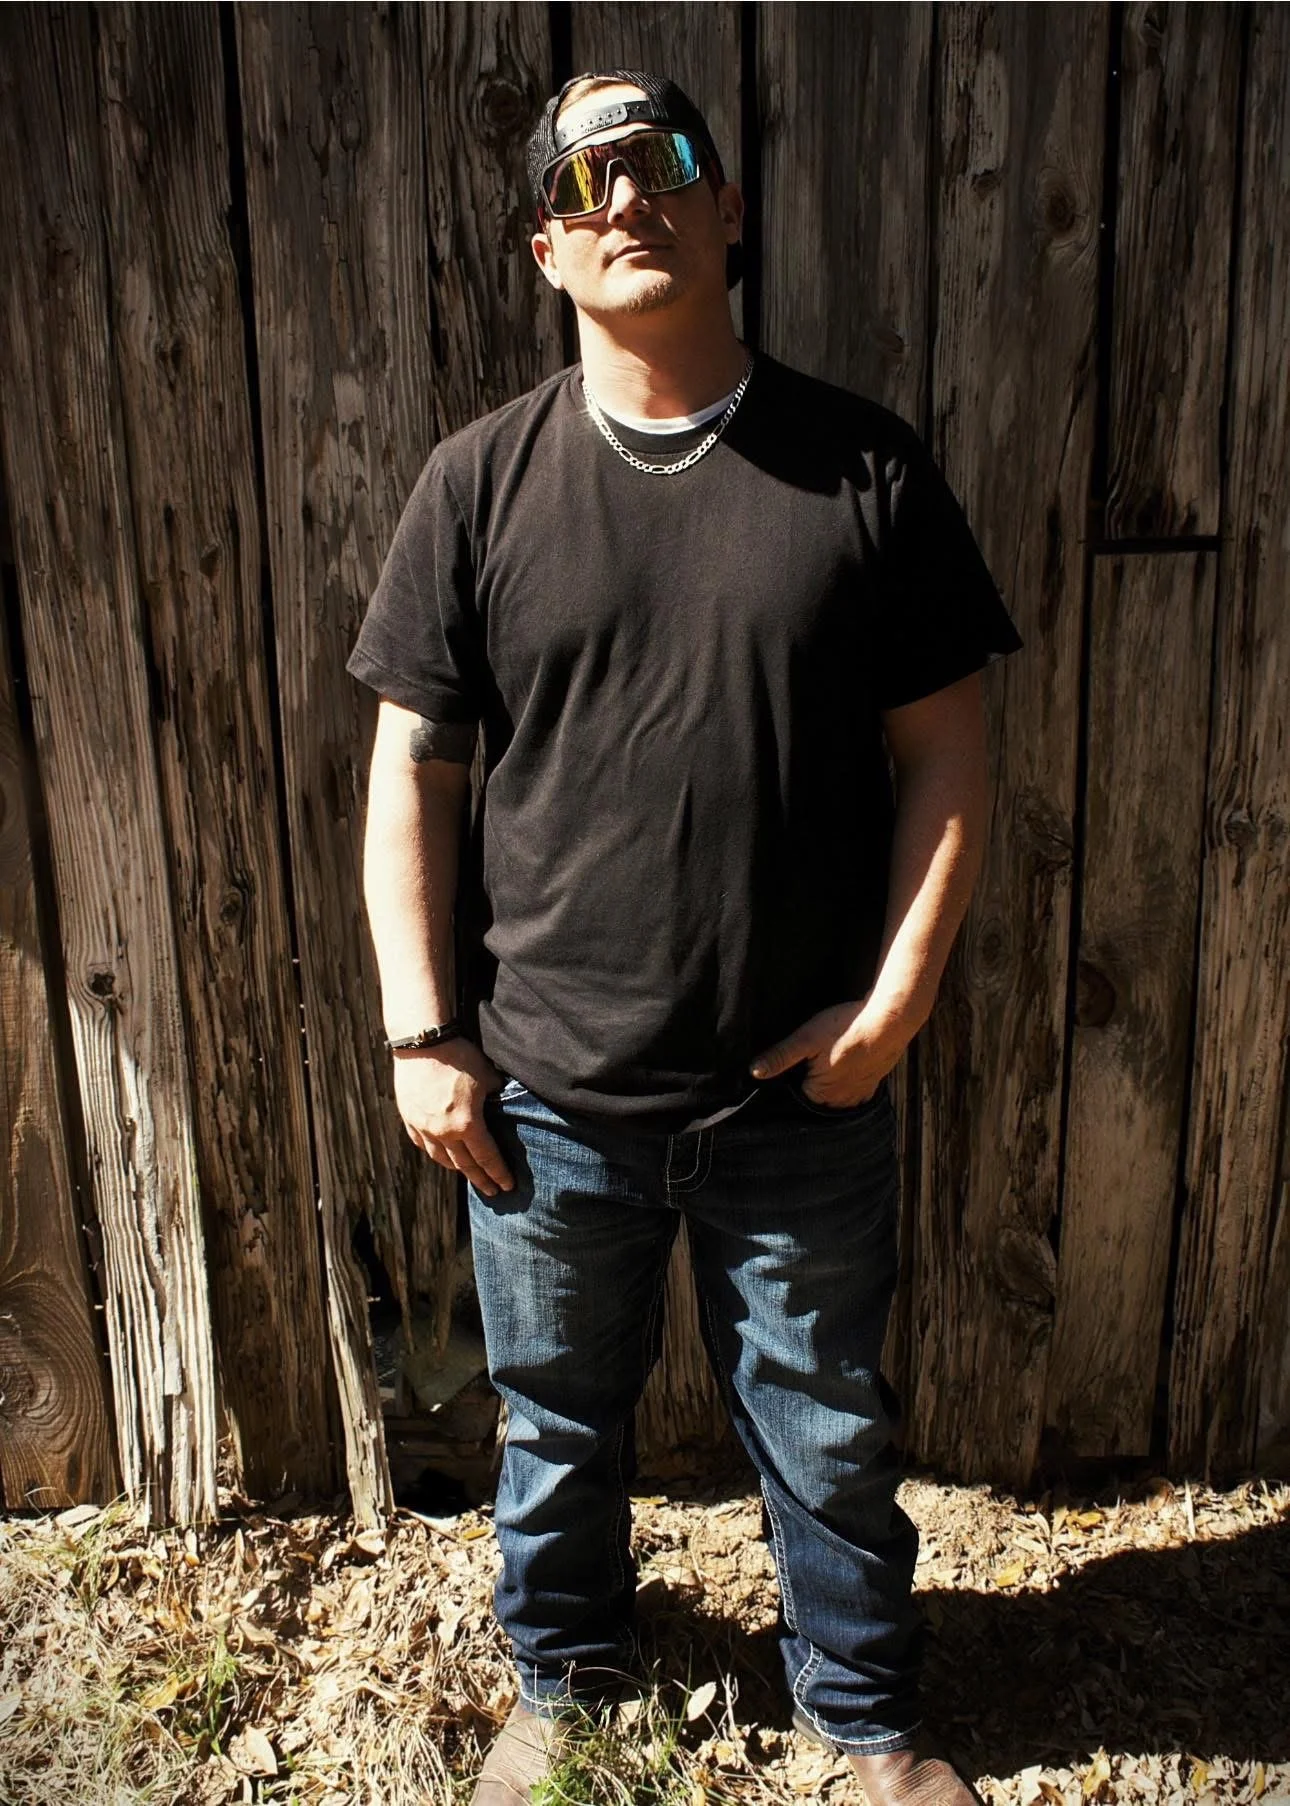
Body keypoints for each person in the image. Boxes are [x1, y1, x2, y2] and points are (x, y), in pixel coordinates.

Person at [348, 67, 1021, 1806]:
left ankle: (867, 1723)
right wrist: (425, 1032)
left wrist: (892, 1004)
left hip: (797, 1090)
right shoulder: (478, 486)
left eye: (663, 165)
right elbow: (409, 777)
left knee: (823, 1429)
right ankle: (562, 1691)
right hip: (547, 1092)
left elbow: (949, 749)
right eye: (583, 184)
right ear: (546, 253)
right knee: (553, 1424)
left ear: (727, 207)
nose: (625, 198)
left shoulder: (863, 469)